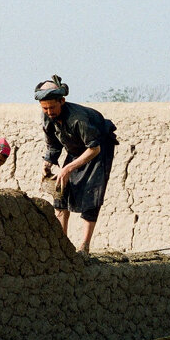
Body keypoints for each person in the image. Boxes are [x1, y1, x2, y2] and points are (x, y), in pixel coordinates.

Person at [35, 75, 119, 253]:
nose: (49, 112)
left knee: (91, 195)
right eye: (45, 108)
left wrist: (68, 168)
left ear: (62, 101)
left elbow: (94, 149)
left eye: (52, 107)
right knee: (61, 192)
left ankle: (84, 247)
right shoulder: (47, 118)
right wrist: (47, 163)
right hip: (75, 152)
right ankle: (62, 244)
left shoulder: (77, 119)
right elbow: (53, 144)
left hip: (98, 150)